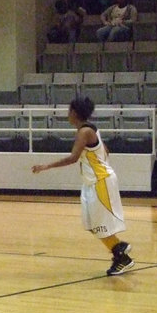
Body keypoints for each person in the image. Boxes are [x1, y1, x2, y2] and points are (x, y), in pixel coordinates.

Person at [31, 96, 134, 276]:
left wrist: (45, 166)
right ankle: (119, 248)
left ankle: (121, 256)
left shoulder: (84, 132)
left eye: (69, 111)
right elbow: (105, 150)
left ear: (74, 113)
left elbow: (72, 158)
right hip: (93, 181)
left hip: (100, 181)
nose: (67, 114)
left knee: (100, 225)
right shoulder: (89, 129)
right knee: (93, 224)